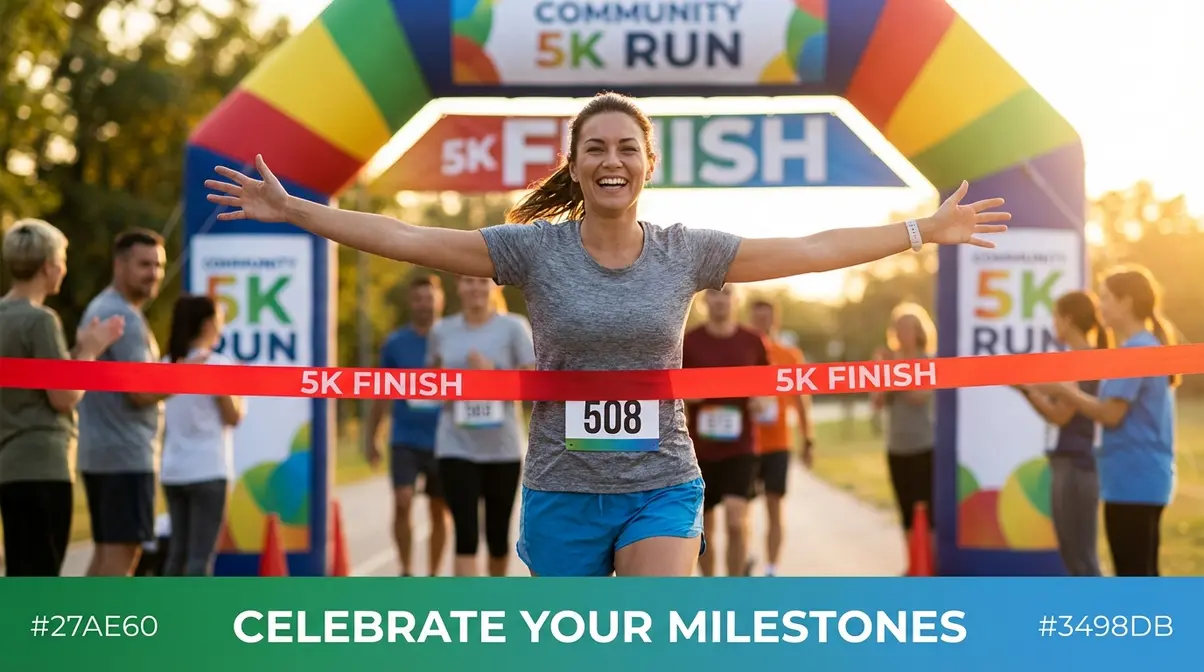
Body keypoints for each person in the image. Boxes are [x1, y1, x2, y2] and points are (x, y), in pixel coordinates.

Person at [205, 91, 1010, 577]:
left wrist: (918, 230)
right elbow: (406, 236)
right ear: (578, 165)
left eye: (628, 146)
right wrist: (299, 211)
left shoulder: (687, 251)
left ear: (648, 162)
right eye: (597, 148)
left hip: (662, 482)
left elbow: (811, 250)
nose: (612, 158)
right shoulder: (531, 250)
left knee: (653, 640)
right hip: (561, 489)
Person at [1035, 266, 1178, 576]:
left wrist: (1063, 390)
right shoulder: (1142, 347)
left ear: (1126, 302)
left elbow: (1111, 415)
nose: (1100, 306)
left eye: (1106, 298)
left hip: (1133, 480)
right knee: (1141, 574)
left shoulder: (1136, 351)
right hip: (1138, 478)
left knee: (1133, 575)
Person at [0, 219, 124, 576]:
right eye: (63, 261)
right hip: (44, 463)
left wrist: (78, 349)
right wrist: (91, 351)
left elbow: (33, 381)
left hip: (10, 464)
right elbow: (64, 395)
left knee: (21, 572)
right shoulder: (41, 321)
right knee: (42, 577)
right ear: (49, 266)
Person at [428, 276, 536, 576]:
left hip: (502, 447)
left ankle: (493, 604)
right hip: (455, 443)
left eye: (482, 281)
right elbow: (429, 379)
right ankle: (468, 610)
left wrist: (494, 373)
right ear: (458, 287)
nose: (475, 288)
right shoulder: (442, 330)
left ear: (496, 286)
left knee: (498, 535)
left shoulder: (514, 327)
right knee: (465, 533)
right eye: (467, 281)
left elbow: (535, 381)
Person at [76, 228, 168, 576]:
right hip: (125, 455)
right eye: (145, 264)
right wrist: (186, 376)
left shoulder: (101, 306)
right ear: (120, 265)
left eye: (158, 265)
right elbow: (140, 392)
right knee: (121, 556)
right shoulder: (123, 317)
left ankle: (85, 628)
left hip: (102, 452)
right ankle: (106, 630)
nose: (154, 273)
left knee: (106, 554)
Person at [1014, 291, 1106, 577]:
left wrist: (1026, 389)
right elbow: (1058, 412)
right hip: (1072, 464)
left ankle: (1098, 616)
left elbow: (1059, 415)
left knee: (1080, 555)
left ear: (1068, 319)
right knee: (1075, 553)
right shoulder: (1081, 358)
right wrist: (1028, 390)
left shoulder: (1082, 360)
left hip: (1077, 466)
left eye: (1055, 316)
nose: (1053, 323)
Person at [364, 274, 450, 576]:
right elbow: (380, 392)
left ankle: (433, 575)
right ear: (410, 303)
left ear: (439, 300)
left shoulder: (453, 337)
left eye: (429, 298)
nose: (424, 305)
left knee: (439, 509)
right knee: (402, 501)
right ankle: (406, 570)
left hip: (444, 438)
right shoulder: (396, 343)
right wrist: (371, 436)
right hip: (405, 437)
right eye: (418, 299)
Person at [682, 285, 769, 576]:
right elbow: (673, 386)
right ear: (705, 300)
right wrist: (688, 394)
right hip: (698, 448)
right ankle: (712, 589)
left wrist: (761, 400)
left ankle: (735, 590)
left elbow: (767, 385)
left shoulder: (752, 341)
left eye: (726, 293)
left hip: (740, 445)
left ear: (736, 299)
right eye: (714, 294)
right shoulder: (689, 341)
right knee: (704, 528)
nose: (720, 299)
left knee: (735, 520)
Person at [160, 294, 245, 576]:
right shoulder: (216, 364)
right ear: (208, 324)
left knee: (177, 555)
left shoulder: (165, 364)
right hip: (208, 468)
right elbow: (232, 416)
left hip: (173, 469)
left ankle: (168, 615)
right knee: (200, 558)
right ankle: (195, 618)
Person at [748, 298, 814, 577]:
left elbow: (800, 401)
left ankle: (772, 568)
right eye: (757, 318)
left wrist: (808, 438)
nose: (762, 323)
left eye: (767, 318)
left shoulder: (789, 355)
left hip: (777, 443)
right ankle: (746, 556)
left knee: (775, 505)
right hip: (746, 443)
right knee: (742, 509)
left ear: (775, 320)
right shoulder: (742, 352)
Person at [870, 303, 937, 571]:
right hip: (896, 446)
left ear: (919, 331)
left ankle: (930, 567)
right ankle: (912, 566)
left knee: (927, 510)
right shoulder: (889, 361)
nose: (902, 333)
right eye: (898, 328)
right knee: (906, 511)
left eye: (907, 328)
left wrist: (893, 368)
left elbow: (918, 398)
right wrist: (878, 373)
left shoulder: (927, 361)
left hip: (924, 444)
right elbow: (878, 402)